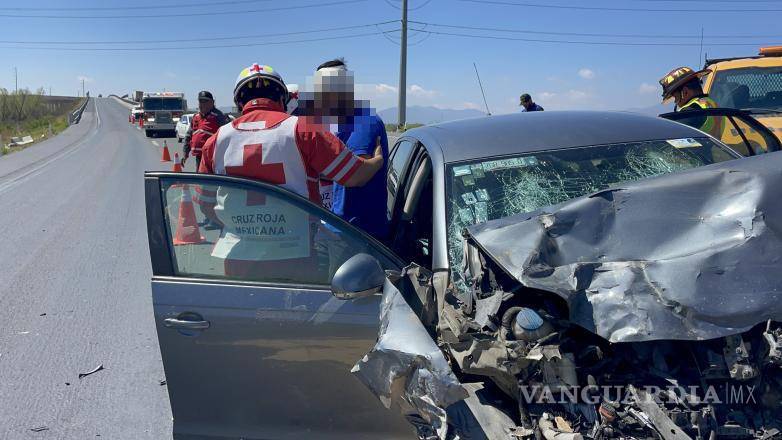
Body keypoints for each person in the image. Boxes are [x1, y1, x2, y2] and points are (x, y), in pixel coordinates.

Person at [198, 63, 384, 280]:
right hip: (295, 258)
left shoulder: (215, 140)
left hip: (239, 261)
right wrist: (377, 161)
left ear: (239, 101)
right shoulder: (303, 129)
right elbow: (355, 176)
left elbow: (207, 205)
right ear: (282, 97)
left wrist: (248, 230)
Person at [312, 58, 390, 242]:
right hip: (343, 225)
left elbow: (355, 175)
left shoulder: (362, 121)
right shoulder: (343, 123)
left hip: (357, 232)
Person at [658, 66, 721, 135]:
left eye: (675, 97)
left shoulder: (691, 111)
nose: (675, 102)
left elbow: (670, 134)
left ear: (685, 92)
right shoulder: (711, 103)